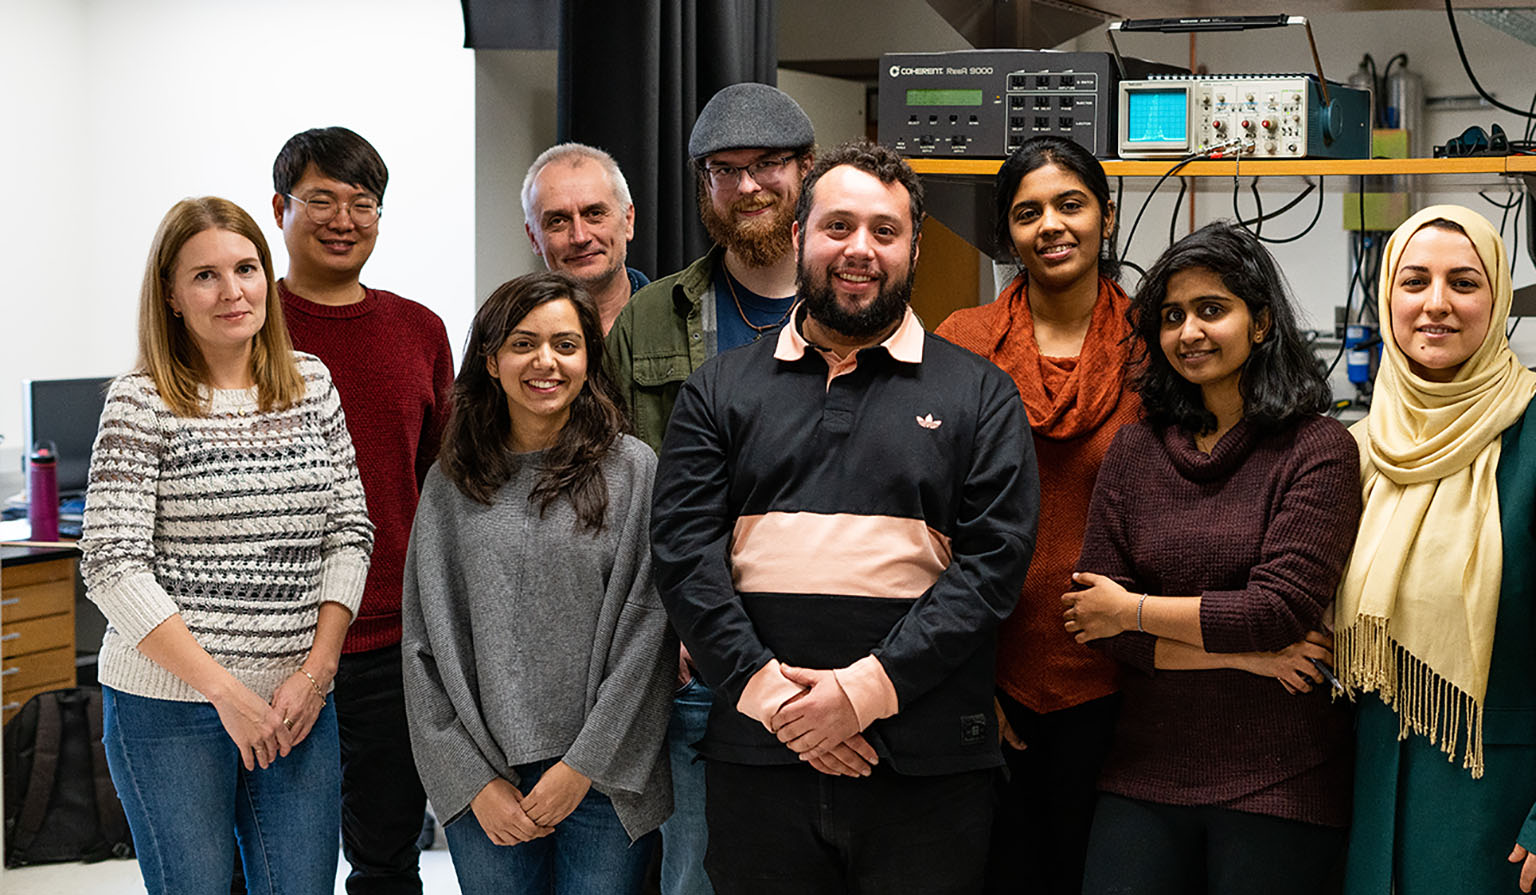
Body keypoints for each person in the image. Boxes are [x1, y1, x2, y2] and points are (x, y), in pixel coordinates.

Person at [651, 140, 1039, 894]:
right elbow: (684, 557)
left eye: (884, 231)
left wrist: (861, 694)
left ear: (914, 248)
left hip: (926, 765)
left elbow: (993, 570)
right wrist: (781, 703)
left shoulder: (982, 396)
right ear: (799, 236)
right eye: (838, 226)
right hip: (759, 757)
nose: (860, 249)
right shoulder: (718, 390)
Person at [79, 196, 374, 895]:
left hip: (297, 703)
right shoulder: (140, 399)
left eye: (245, 268)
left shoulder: (313, 384)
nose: (233, 290)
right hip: (170, 708)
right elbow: (111, 564)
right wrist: (225, 692)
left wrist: (317, 672)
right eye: (205, 275)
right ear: (173, 297)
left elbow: (350, 531)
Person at [1063, 221, 1360, 895]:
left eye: (1211, 309)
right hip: (1144, 772)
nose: (1189, 331)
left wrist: (1134, 609)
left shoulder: (1319, 449)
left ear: (1260, 323)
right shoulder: (1135, 450)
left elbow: (1277, 611)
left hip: (1283, 780)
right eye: (1172, 316)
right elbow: (1094, 625)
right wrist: (1243, 654)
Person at [605, 80, 815, 895]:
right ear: (704, 185)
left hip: (831, 653)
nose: (750, 185)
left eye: (768, 164)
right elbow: (622, 503)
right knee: (692, 876)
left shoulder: (859, 306)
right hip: (693, 662)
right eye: (726, 170)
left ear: (806, 170)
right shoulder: (652, 319)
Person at [401, 272, 675, 895]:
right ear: (492, 361)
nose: (545, 361)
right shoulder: (451, 484)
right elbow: (422, 651)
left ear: (588, 360)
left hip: (604, 781)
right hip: (486, 780)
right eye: (523, 344)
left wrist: (582, 767)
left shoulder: (633, 472)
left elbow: (647, 635)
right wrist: (471, 780)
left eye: (565, 344)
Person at [933, 135, 1137, 895]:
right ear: (1007, 234)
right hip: (990, 677)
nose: (1050, 224)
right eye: (1028, 212)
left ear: (1106, 217)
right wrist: (963, 676)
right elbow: (931, 524)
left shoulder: (1156, 344)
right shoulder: (961, 343)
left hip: (1131, 684)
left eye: (1070, 204)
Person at [272, 125, 452, 895]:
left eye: (363, 203)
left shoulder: (420, 329)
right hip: (269, 643)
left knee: (386, 860)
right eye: (321, 199)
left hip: (389, 641)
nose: (343, 219)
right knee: (278, 858)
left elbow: (441, 481)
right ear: (279, 207)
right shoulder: (248, 325)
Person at [1336, 206, 1536, 895]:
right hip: (1366, 810)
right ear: (1387, 295)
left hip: (1498, 815)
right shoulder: (1357, 448)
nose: (1436, 304)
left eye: (1464, 283)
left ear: (1500, 296)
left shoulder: (1534, 435)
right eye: (1414, 281)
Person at [523, 142, 647, 334]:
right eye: (558, 221)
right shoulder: (510, 335)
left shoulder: (680, 323)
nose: (580, 237)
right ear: (533, 238)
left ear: (628, 221)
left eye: (595, 213)